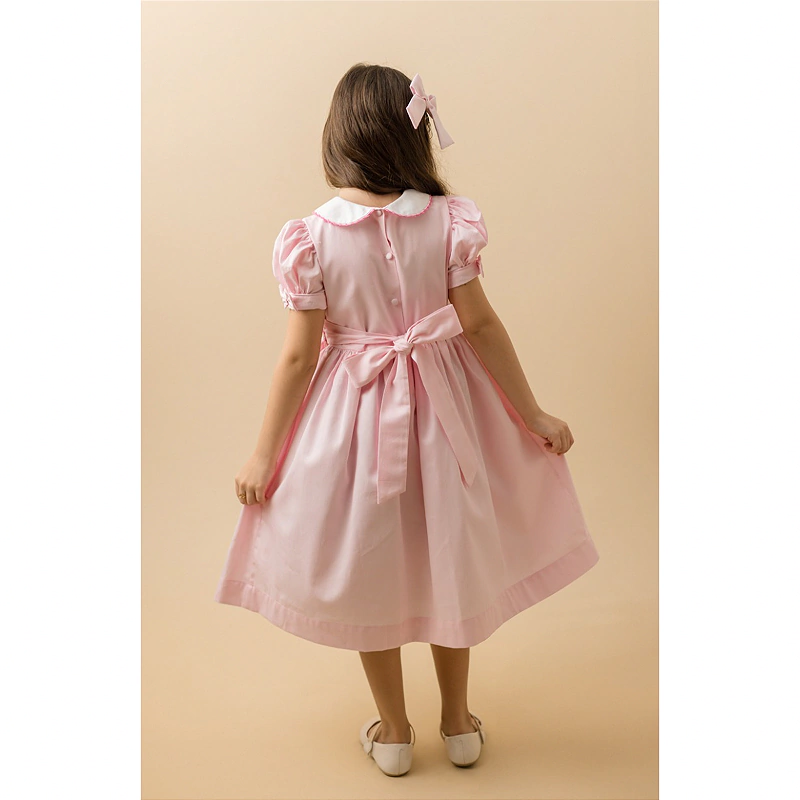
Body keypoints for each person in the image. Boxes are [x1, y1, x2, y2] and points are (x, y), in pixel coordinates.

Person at [214, 64, 600, 776]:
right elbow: (480, 325)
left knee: (371, 570)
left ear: (340, 134)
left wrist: (264, 455)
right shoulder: (448, 222)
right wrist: (532, 414)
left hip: (353, 423)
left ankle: (393, 733)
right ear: (412, 134)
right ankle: (458, 724)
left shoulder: (311, 237)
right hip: (448, 415)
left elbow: (298, 357)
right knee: (450, 559)